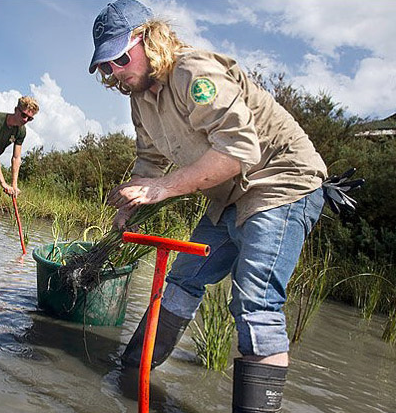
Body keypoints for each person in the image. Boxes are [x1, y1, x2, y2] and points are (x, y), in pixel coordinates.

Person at [89, 1, 327, 411]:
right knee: (182, 282)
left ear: (149, 38)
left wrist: (162, 189)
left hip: (279, 181)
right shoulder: (140, 97)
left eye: (120, 59)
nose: (115, 74)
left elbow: (238, 150)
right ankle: (128, 380)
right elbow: (150, 161)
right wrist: (131, 200)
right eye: (106, 68)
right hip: (228, 196)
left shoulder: (193, 72)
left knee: (255, 302)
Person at [0, 96, 39, 197]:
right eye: (23, 115)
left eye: (29, 118)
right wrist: (3, 183)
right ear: (16, 110)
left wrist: (14, 185)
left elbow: (16, 158)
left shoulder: (21, 131)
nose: (25, 120)